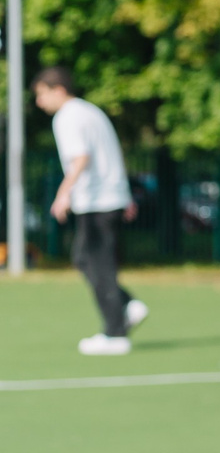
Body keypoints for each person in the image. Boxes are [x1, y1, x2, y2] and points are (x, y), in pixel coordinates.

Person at [36, 67, 144, 355]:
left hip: (97, 200)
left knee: (98, 263)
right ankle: (127, 305)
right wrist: (125, 195)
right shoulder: (91, 112)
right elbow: (112, 153)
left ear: (58, 90)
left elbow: (81, 157)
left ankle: (115, 333)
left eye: (42, 94)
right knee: (84, 258)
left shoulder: (68, 116)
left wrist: (63, 192)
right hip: (109, 197)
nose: (39, 102)